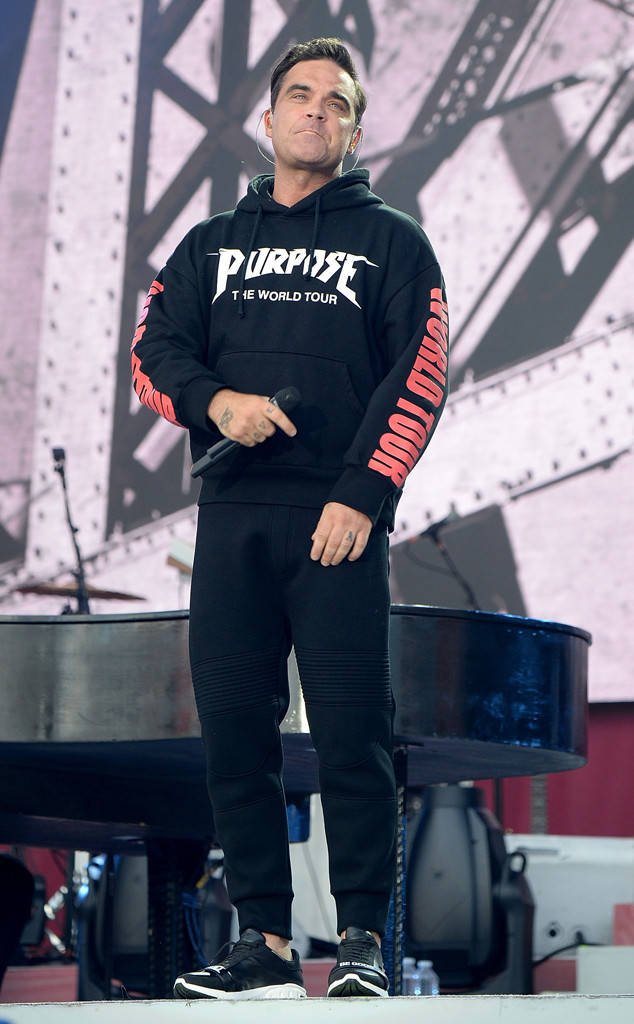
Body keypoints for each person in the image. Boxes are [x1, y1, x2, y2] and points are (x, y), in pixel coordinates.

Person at [131, 36, 448, 1000]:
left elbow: (420, 375)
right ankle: (263, 945)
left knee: (355, 736)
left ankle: (361, 941)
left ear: (354, 131)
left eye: (337, 102)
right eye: (300, 96)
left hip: (337, 522)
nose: (317, 111)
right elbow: (152, 353)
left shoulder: (394, 242)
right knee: (236, 736)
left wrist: (363, 492)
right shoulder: (208, 245)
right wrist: (217, 403)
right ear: (268, 121)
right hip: (233, 519)